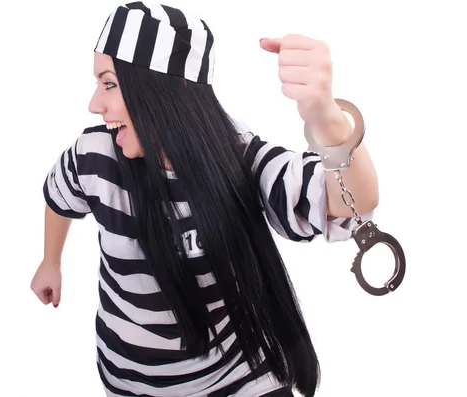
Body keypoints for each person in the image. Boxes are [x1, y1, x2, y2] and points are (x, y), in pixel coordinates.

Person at [30, 2, 379, 396]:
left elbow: (355, 200)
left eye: (109, 83)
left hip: (236, 381)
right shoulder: (95, 155)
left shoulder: (239, 160)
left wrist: (327, 117)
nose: (96, 104)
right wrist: (50, 261)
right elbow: (59, 196)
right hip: (126, 382)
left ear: (166, 92)